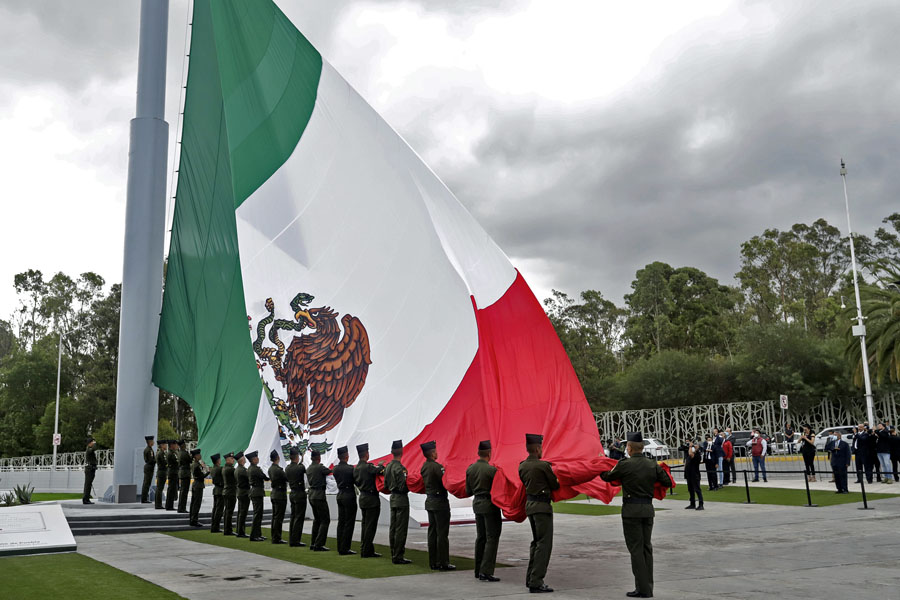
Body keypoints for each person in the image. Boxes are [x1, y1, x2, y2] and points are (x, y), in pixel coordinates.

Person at [601, 432, 675, 599]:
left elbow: (608, 477)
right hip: (647, 510)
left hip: (631, 511)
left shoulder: (625, 464)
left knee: (636, 550)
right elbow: (667, 482)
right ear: (642, 447)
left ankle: (643, 589)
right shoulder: (652, 464)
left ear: (629, 447)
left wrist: (600, 467)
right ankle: (647, 586)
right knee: (646, 548)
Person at [518, 433, 558, 594]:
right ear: (537, 448)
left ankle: (530, 578)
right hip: (542, 507)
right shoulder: (543, 466)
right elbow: (554, 485)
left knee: (536, 542)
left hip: (530, 506)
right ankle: (536, 581)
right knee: (544, 544)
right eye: (541, 447)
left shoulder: (522, 466)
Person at [466, 440, 502, 582]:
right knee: (492, 537)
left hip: (477, 504)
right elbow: (499, 491)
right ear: (489, 453)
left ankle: (478, 569)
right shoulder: (492, 470)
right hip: (489, 505)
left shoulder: (470, 469)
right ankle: (486, 571)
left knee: (481, 537)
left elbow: (468, 491)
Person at [421, 440, 454, 571]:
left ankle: (433, 561)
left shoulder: (424, 466)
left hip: (430, 502)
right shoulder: (436, 467)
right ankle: (443, 562)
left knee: (432, 533)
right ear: (433, 453)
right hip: (440, 502)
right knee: (442, 534)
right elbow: (445, 481)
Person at [354, 443, 386, 558]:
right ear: (367, 454)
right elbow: (380, 470)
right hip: (372, 498)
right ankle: (366, 550)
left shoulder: (356, 468)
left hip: (363, 497)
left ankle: (366, 548)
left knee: (365, 525)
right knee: (370, 526)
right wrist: (381, 465)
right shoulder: (368, 467)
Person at [384, 439, 411, 564]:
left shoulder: (388, 467)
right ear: (401, 452)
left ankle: (393, 553)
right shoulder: (400, 468)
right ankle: (398, 556)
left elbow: (385, 484)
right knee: (400, 529)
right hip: (401, 499)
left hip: (393, 498)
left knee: (393, 528)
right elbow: (402, 486)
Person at [333, 446, 357, 555]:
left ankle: (340, 546)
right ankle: (345, 547)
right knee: (349, 523)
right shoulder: (350, 469)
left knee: (341, 522)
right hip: (349, 495)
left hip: (340, 494)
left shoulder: (335, 469)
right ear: (347, 456)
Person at [306, 449, 332, 551]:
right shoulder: (319, 467)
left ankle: (313, 542)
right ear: (318, 458)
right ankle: (319, 544)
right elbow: (329, 471)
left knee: (317, 520)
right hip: (319, 495)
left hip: (312, 495)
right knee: (325, 520)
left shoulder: (309, 468)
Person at [284, 446, 307, 547]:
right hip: (299, 494)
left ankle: (292, 538)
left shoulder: (287, 468)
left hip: (292, 493)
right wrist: (303, 458)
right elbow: (303, 468)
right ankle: (295, 540)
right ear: (296, 456)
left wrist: (301, 458)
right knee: (299, 517)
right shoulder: (299, 467)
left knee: (293, 517)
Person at [247, 450, 268, 541]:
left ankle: (258, 534)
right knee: (257, 515)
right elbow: (265, 477)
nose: (258, 459)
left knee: (258, 514)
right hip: (257, 492)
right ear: (253, 460)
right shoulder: (255, 469)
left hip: (255, 491)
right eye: (256, 458)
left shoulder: (251, 468)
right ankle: (254, 535)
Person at [268, 449, 288, 544]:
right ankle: (277, 538)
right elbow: (287, 478)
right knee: (279, 518)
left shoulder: (270, 469)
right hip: (280, 495)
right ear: (278, 458)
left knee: (275, 517)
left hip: (274, 493)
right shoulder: (278, 470)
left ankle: (274, 536)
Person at [678, 438, 703, 510]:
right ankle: (692, 503)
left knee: (697, 489)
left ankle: (701, 504)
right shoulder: (689, 456)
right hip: (689, 474)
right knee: (690, 489)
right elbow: (687, 462)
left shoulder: (697, 455)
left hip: (694, 474)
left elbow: (691, 454)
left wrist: (690, 446)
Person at [188, 448, 208, 527]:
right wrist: (208, 471)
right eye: (199, 454)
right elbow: (201, 476)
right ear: (195, 456)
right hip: (198, 485)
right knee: (196, 504)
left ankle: (192, 519)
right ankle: (194, 520)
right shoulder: (197, 465)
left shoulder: (194, 464)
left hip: (196, 484)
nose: (200, 456)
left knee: (193, 503)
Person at [234, 451, 251, 538]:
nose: (245, 459)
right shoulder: (242, 470)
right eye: (243, 458)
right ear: (241, 460)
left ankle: (239, 530)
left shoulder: (238, 469)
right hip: (244, 492)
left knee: (241, 512)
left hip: (240, 492)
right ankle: (241, 532)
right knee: (243, 513)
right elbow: (249, 479)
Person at [221, 452, 237, 536]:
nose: (233, 460)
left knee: (227, 511)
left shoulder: (225, 468)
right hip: (230, 492)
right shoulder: (230, 469)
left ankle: (227, 529)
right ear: (227, 460)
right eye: (231, 458)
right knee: (229, 512)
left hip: (227, 491)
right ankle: (228, 530)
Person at [209, 453, 224, 533]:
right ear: (218, 460)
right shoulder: (219, 469)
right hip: (220, 490)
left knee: (215, 509)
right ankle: (216, 527)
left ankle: (214, 526)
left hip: (216, 490)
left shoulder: (213, 469)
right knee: (219, 510)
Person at [177, 439, 191, 513]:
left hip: (182, 472)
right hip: (185, 473)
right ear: (182, 445)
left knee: (183, 491)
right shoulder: (184, 453)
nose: (185, 445)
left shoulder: (179, 453)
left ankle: (181, 507)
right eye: (184, 444)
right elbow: (190, 460)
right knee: (184, 492)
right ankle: (182, 508)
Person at [165, 439, 180, 510]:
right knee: (171, 489)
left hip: (174, 472)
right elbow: (176, 462)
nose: (177, 446)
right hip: (172, 472)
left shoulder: (174, 453)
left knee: (172, 489)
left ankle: (170, 505)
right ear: (172, 445)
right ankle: (169, 506)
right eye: (175, 444)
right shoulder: (170, 453)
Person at [83, 437, 97, 504]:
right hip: (89, 469)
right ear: (90, 443)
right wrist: (94, 443)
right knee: (88, 485)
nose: (93, 443)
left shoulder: (89, 449)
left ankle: (86, 499)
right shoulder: (89, 449)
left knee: (88, 485)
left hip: (91, 469)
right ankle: (86, 499)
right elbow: (94, 448)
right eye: (92, 442)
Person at [141, 435, 155, 504]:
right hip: (149, 467)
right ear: (150, 442)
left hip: (149, 467)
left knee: (146, 483)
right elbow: (151, 460)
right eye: (152, 441)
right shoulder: (149, 450)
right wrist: (157, 460)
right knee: (146, 484)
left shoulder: (149, 449)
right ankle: (144, 499)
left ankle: (144, 498)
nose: (153, 442)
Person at [155, 439, 168, 509]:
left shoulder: (162, 453)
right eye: (165, 444)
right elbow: (164, 463)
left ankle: (158, 504)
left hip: (162, 472)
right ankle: (158, 504)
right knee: (159, 489)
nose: (166, 446)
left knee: (160, 488)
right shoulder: (160, 453)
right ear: (162, 445)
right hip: (161, 472)